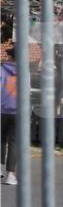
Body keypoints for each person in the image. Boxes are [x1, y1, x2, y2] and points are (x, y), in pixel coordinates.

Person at [0, 45, 16, 186]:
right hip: (18, 111)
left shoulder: (1, 70)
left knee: (1, 139)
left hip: (2, 110)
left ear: (11, 57)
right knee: (14, 142)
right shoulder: (25, 72)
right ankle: (10, 175)